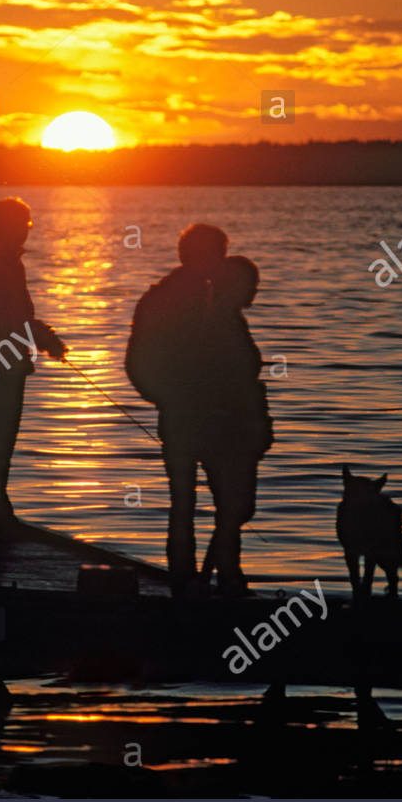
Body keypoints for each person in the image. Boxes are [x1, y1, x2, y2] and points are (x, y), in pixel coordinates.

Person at [126, 223, 232, 596]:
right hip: (184, 416)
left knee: (221, 504)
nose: (221, 264)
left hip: (217, 419)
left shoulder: (220, 299)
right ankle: (187, 581)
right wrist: (165, 397)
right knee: (186, 501)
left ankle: (219, 580)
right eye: (218, 256)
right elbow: (136, 362)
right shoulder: (161, 299)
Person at [0, 198, 66, 529]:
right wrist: (45, 338)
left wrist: (40, 335)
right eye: (23, 225)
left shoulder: (3, 260)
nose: (26, 232)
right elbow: (7, 317)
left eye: (28, 225)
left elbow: (17, 318)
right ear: (7, 226)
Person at [196, 255, 273, 594]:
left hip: (238, 430)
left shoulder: (226, 321)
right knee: (234, 507)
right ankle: (219, 577)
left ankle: (225, 574)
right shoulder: (220, 325)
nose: (255, 291)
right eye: (251, 285)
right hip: (229, 432)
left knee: (234, 508)